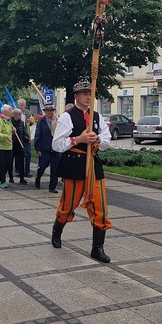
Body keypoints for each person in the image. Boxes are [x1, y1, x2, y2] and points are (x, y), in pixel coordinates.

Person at [51, 81, 113, 263]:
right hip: (74, 164)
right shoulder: (67, 117)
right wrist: (79, 139)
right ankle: (57, 232)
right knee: (68, 205)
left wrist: (97, 138)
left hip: (93, 164)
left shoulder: (97, 116)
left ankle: (97, 248)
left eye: (90, 93)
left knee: (100, 207)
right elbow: (57, 145)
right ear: (76, 96)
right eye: (84, 93)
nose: (88, 96)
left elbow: (108, 140)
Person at [34, 104, 61, 193]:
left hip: (56, 148)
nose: (49, 112)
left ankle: (52, 187)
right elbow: (38, 135)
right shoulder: (41, 121)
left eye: (51, 111)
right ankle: (38, 178)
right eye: (48, 111)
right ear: (45, 112)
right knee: (43, 166)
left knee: (55, 168)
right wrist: (38, 149)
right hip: (45, 148)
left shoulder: (57, 121)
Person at [0, 104, 14, 188]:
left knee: (9, 164)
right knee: (2, 164)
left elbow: (10, 130)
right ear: (5, 111)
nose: (11, 112)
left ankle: (2, 174)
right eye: (10, 110)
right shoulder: (0, 120)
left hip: (8, 146)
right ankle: (2, 180)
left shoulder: (9, 120)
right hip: (0, 146)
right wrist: (6, 136)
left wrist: (13, 130)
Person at [11, 108, 30, 184]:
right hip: (12, 144)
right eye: (19, 114)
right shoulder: (10, 122)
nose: (21, 116)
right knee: (10, 161)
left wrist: (26, 139)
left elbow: (24, 132)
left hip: (20, 144)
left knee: (21, 161)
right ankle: (11, 177)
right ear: (15, 115)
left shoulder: (21, 122)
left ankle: (22, 178)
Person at [18, 98, 35, 177]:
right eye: (21, 105)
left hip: (26, 135)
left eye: (24, 105)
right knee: (19, 154)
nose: (23, 107)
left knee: (28, 153)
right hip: (18, 135)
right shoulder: (16, 112)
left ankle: (27, 171)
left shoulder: (28, 112)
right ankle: (18, 170)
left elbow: (31, 123)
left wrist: (31, 122)